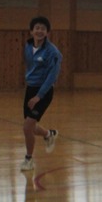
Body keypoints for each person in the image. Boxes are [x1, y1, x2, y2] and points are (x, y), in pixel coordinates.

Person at [21, 15, 61, 172]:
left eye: (43, 29)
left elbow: (52, 76)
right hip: (30, 89)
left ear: (47, 32)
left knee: (27, 127)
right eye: (37, 28)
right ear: (31, 31)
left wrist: (39, 96)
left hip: (43, 91)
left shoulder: (52, 52)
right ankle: (49, 134)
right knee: (30, 126)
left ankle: (29, 159)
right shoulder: (28, 46)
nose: (39, 31)